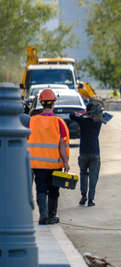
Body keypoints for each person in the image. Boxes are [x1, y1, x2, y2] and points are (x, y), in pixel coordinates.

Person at [28, 89, 70, 225]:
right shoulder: (59, 122)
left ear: (41, 103)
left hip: (36, 164)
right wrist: (66, 162)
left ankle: (43, 216)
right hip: (54, 164)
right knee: (53, 190)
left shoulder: (32, 121)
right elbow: (62, 145)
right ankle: (51, 216)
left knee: (40, 189)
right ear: (53, 104)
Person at [70, 101, 103, 207]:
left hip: (83, 153)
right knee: (93, 177)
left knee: (83, 174)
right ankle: (90, 200)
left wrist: (83, 113)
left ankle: (83, 196)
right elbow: (104, 115)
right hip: (95, 153)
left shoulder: (82, 121)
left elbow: (71, 115)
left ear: (87, 110)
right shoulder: (99, 122)